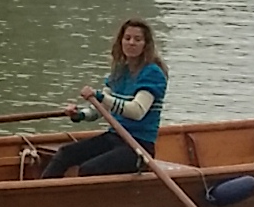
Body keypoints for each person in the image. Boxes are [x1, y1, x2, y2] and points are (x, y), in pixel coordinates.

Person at [39, 20, 167, 179]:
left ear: (146, 45)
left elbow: (137, 111)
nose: (131, 43)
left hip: (139, 147)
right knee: (65, 153)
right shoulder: (120, 71)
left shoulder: (152, 74)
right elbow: (100, 108)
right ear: (121, 42)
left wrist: (100, 96)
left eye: (137, 39)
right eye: (127, 38)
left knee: (89, 169)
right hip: (114, 136)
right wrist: (80, 115)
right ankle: (41, 193)